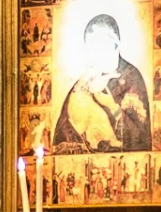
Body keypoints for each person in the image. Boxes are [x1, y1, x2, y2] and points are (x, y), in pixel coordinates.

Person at [53, 13, 153, 152]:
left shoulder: (132, 79)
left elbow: (141, 138)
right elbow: (62, 135)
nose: (96, 54)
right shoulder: (85, 80)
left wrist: (112, 107)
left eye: (101, 45)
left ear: (116, 45)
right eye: (92, 48)